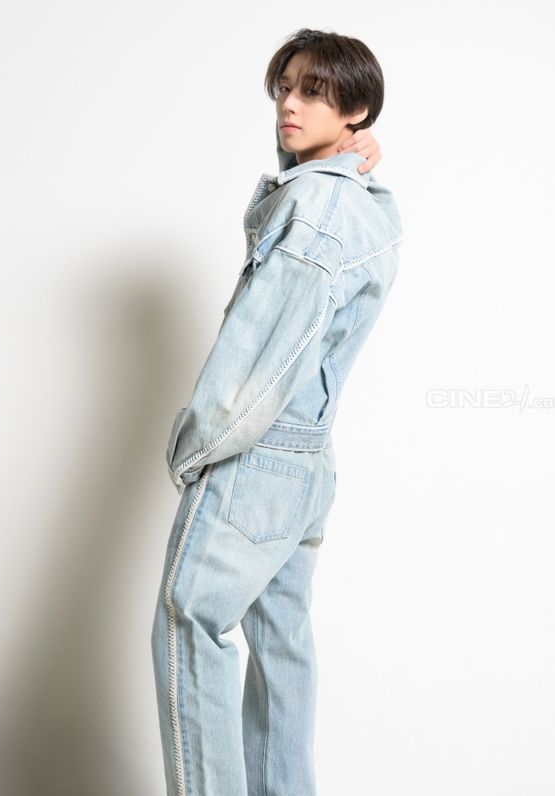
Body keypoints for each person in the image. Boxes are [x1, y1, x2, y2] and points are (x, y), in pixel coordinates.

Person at [151, 27, 404, 796]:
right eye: (285, 88)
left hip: (254, 457)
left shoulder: (315, 209)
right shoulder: (368, 204)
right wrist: (344, 155)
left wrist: (195, 447)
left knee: (190, 624)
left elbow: (259, 358)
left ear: (356, 110)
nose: (290, 104)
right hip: (307, 464)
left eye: (314, 93)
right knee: (281, 644)